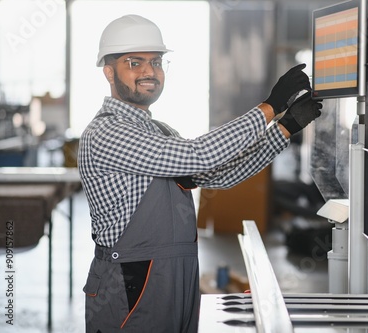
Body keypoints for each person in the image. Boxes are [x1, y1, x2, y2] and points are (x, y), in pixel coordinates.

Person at [78, 14, 322, 333]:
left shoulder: (160, 132)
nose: (149, 71)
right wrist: (269, 107)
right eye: (134, 62)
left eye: (156, 61)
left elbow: (219, 173)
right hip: (130, 284)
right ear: (109, 72)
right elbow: (197, 155)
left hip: (177, 277)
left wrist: (284, 129)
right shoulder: (106, 133)